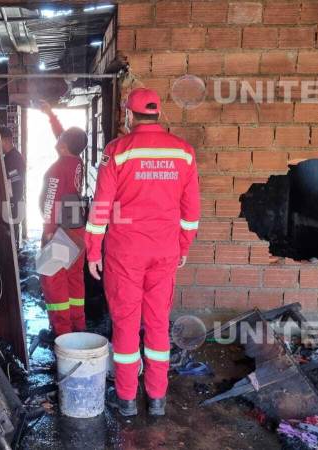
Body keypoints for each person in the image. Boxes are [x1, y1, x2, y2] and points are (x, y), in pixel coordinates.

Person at [84, 88, 201, 417]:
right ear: (158, 114)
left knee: (125, 324)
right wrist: (183, 246)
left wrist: (93, 250)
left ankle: (126, 400)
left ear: (128, 114)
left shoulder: (117, 151)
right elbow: (191, 210)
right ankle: (157, 399)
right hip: (164, 251)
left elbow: (102, 207)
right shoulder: (184, 153)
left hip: (125, 253)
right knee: (158, 324)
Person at [38, 101, 88, 336]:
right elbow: (64, 138)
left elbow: (50, 203)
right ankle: (78, 326)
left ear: (64, 145)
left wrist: (49, 233)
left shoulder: (57, 169)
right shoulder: (76, 160)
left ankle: (63, 334)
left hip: (60, 232)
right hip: (78, 230)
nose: (57, 140)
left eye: (61, 139)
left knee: (53, 280)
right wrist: (50, 115)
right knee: (74, 281)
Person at [1, 127, 25, 246]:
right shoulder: (10, 157)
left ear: (5, 140)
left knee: (9, 240)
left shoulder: (13, 158)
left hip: (13, 204)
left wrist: (8, 202)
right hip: (13, 203)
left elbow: (13, 183)